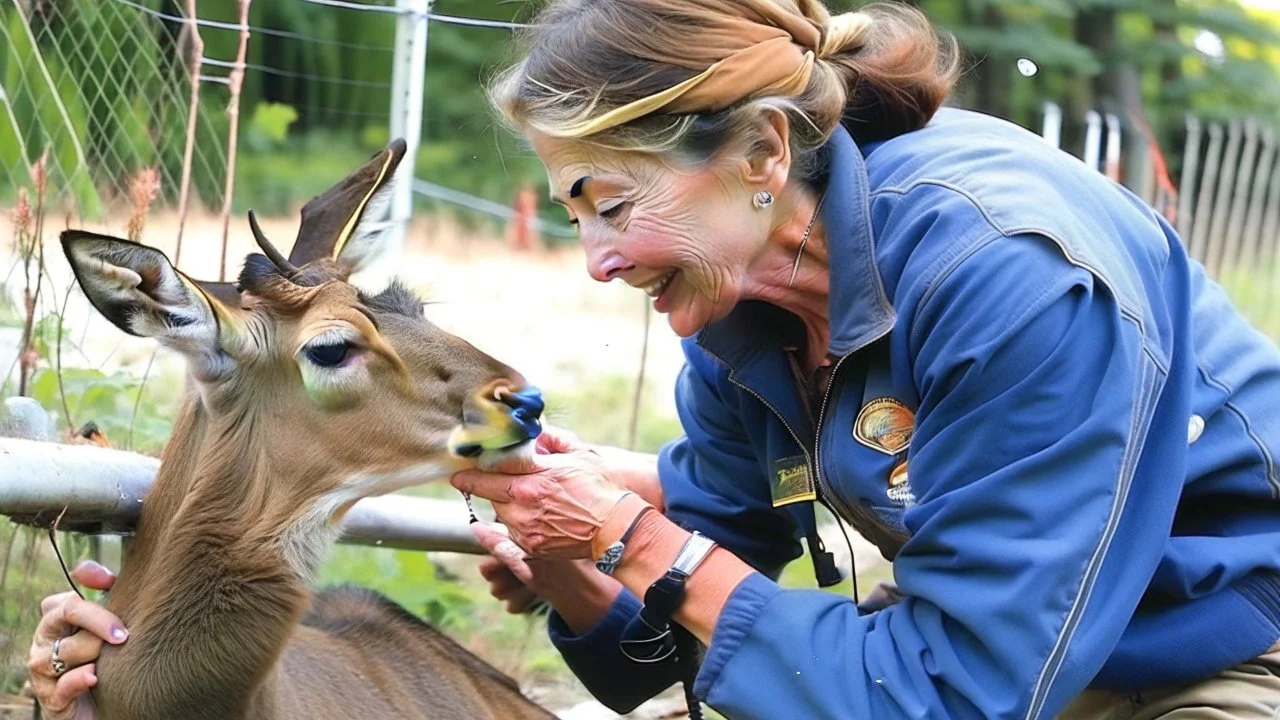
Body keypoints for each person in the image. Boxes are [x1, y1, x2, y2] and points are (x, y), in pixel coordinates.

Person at [24, 1, 1280, 719]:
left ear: (759, 159)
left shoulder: (1001, 271)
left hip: (1213, 655)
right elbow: (661, 653)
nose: (594, 262)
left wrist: (636, 539)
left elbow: (955, 697)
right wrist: (578, 560)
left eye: (609, 204)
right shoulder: (741, 323)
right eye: (571, 214)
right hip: (1013, 663)